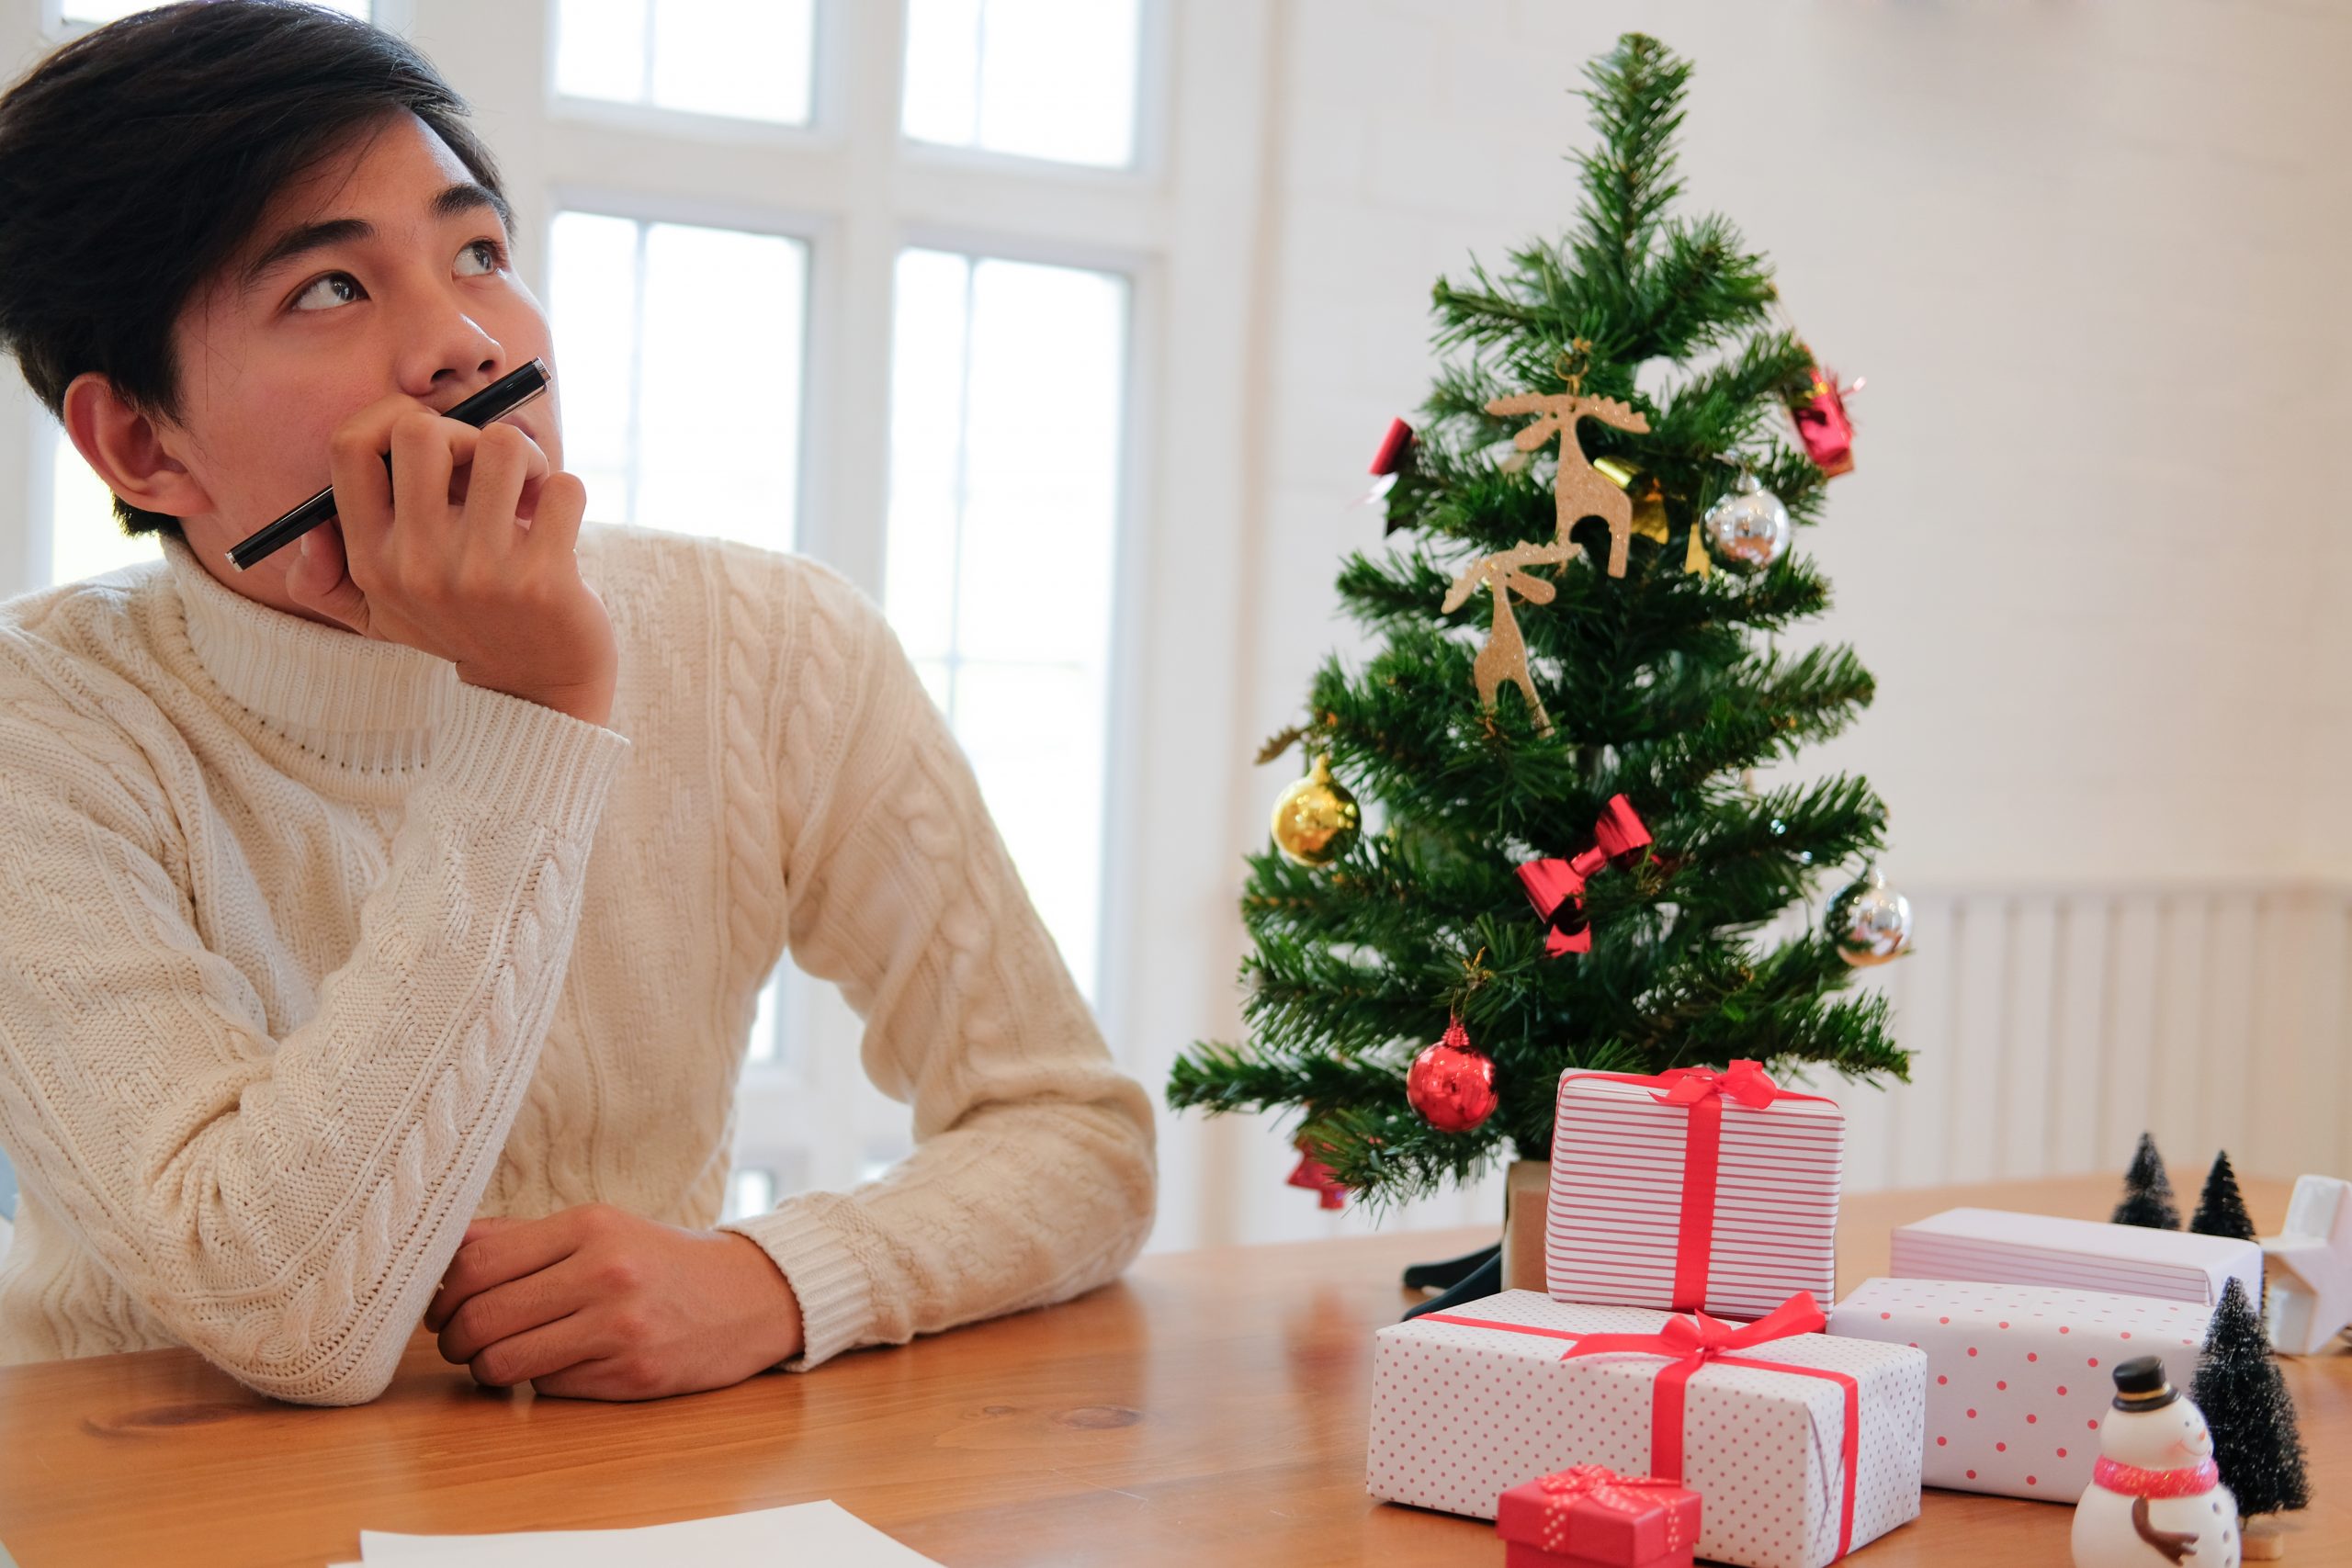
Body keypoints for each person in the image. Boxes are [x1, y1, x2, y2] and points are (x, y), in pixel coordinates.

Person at [0, 0, 1155, 1406]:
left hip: (633, 1490)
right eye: (331, 290)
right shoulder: (42, 725)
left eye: (478, 253)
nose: (466, 345)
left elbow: (1079, 1138)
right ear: (141, 442)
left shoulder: (773, 643)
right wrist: (532, 709)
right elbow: (288, 1310)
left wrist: (782, 1280)